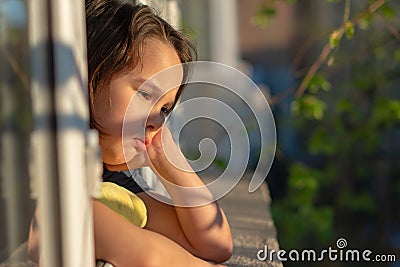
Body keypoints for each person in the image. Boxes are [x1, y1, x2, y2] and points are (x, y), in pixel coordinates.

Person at [28, 0, 232, 266]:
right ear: (87, 76)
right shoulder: (54, 185)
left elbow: (215, 244)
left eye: (165, 109)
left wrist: (164, 154)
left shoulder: (109, 179)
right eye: (145, 94)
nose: (156, 119)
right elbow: (149, 257)